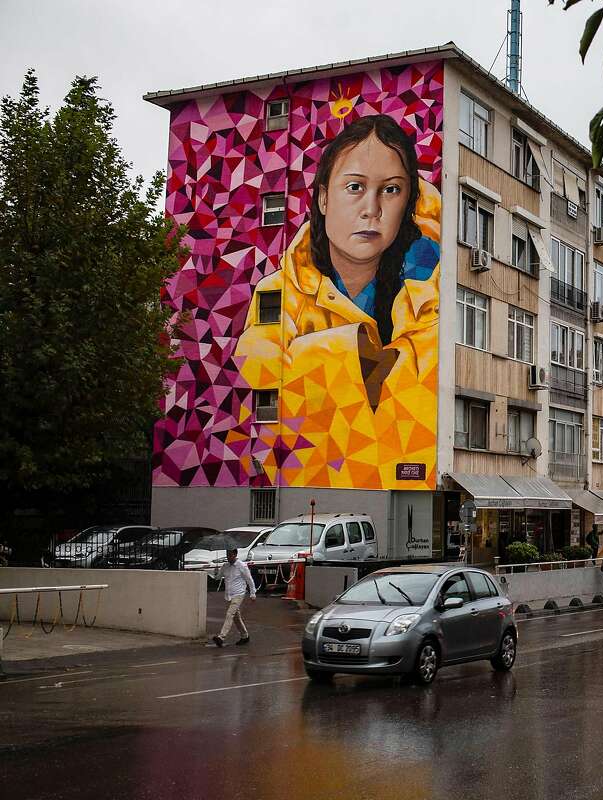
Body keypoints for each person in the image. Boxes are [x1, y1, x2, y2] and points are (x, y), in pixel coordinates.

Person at [236, 113, 442, 490]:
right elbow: (257, 378)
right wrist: (362, 357)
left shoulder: (433, 289)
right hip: (307, 479)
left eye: (392, 190)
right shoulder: (280, 294)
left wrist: (318, 357)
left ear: (408, 203)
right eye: (355, 187)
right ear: (324, 198)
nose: (372, 208)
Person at [213, 548, 256, 647]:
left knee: (229, 614)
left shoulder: (242, 566)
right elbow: (218, 577)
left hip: (238, 594)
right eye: (227, 554)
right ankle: (245, 636)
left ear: (235, 554)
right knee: (236, 617)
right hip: (228, 595)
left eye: (230, 555)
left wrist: (253, 593)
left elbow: (249, 580)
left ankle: (221, 637)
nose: (228, 557)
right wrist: (216, 572)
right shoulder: (225, 566)